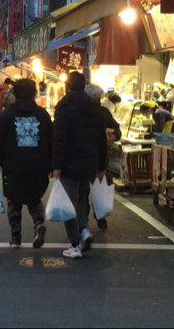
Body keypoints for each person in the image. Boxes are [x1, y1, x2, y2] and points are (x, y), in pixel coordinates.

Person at [0, 79, 52, 249]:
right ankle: (38, 223)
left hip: (13, 165)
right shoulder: (42, 115)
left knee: (14, 201)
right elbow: (52, 141)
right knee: (34, 198)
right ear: (34, 93)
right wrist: (53, 165)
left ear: (15, 93)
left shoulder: (7, 115)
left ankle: (16, 238)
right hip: (39, 164)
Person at [53, 72, 107, 259]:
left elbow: (60, 138)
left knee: (69, 203)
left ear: (67, 86)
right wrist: (102, 164)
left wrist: (56, 165)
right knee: (82, 198)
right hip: (90, 162)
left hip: (70, 162)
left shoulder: (64, 106)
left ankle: (75, 244)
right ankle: (83, 230)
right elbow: (102, 137)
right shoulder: (94, 107)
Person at [85, 84, 122, 230]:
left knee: (100, 188)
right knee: (83, 192)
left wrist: (114, 135)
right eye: (97, 98)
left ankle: (100, 216)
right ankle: (84, 220)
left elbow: (117, 129)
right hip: (86, 158)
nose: (99, 101)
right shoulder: (79, 113)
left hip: (101, 157)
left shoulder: (104, 112)